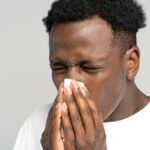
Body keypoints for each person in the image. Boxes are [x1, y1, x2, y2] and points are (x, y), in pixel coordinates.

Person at [13, 0, 150, 150]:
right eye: (59, 67)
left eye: (89, 67)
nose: (69, 82)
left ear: (131, 63)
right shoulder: (37, 125)